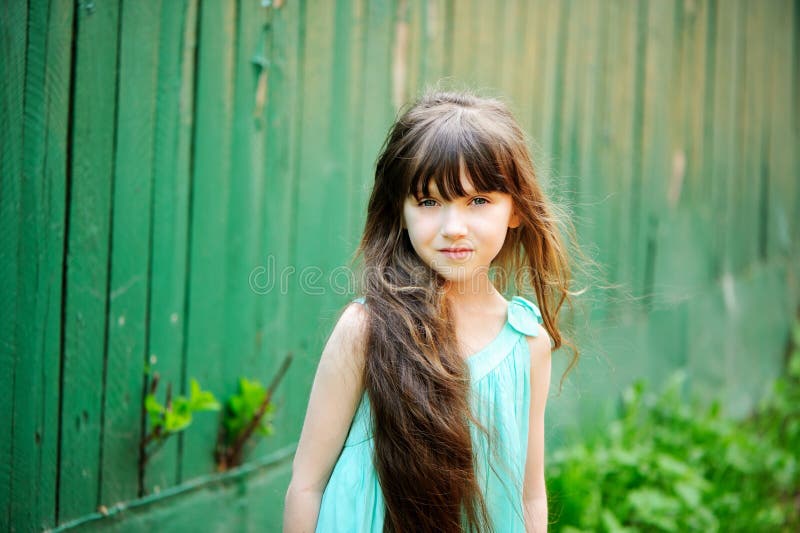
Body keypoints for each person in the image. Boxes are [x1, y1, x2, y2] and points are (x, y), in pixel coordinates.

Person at [283, 90, 575, 533]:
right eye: (428, 202)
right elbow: (307, 484)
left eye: (478, 201)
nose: (452, 228)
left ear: (514, 210)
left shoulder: (527, 343)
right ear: (399, 212)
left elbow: (529, 493)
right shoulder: (366, 329)